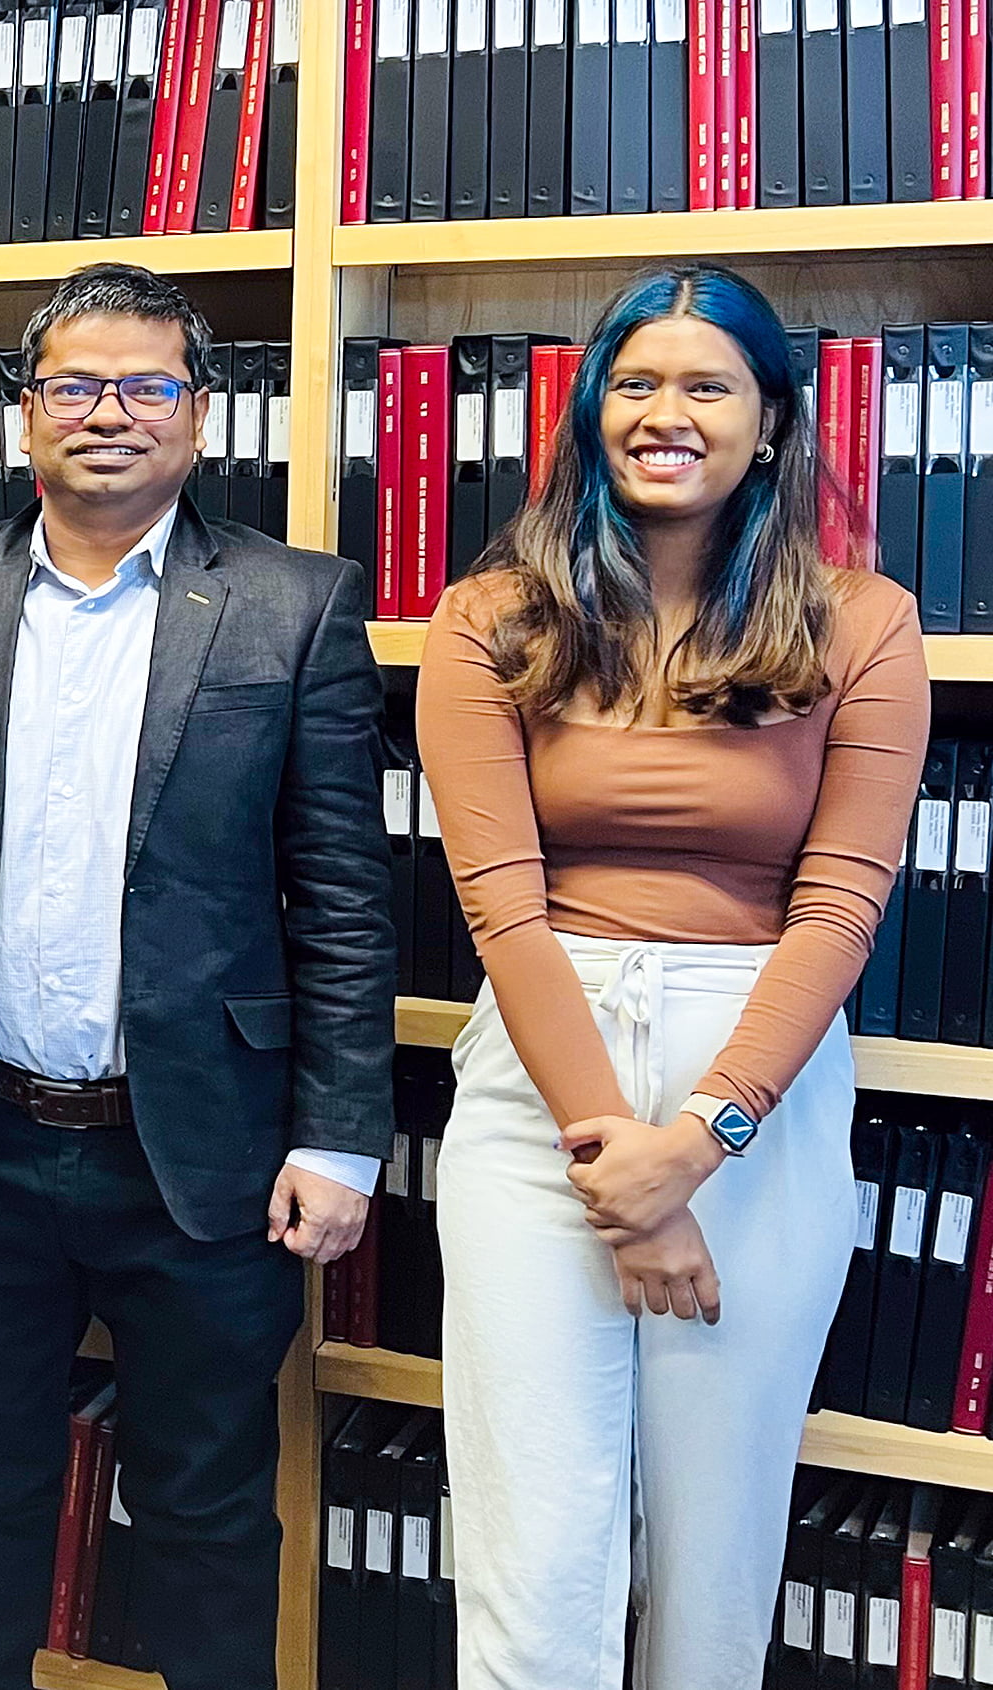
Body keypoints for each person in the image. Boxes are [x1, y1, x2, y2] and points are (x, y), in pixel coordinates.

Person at [0, 261, 393, 1689]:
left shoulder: (290, 606)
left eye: (148, 386)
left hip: (201, 1153)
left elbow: (343, 898)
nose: (111, 413)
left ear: (200, 417)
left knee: (202, 1515)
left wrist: (338, 1134)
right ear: (26, 414)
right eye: (76, 384)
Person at [418, 265, 926, 1689]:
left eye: (707, 385)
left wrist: (698, 1145)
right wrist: (618, 1169)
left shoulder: (861, 623)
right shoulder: (492, 619)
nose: (666, 412)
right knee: (537, 1551)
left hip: (753, 1090)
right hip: (541, 1089)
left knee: (715, 1555)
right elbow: (502, 911)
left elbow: (839, 905)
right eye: (635, 382)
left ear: (768, 422)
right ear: (593, 413)